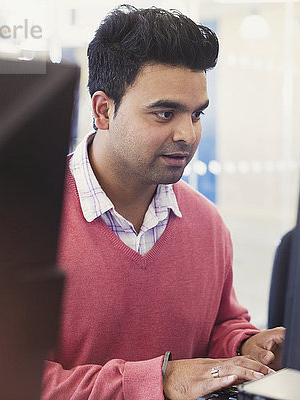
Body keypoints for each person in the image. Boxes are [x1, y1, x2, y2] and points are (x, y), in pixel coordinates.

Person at [41, 5, 285, 400]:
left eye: (196, 114)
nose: (187, 134)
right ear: (104, 110)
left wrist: (243, 346)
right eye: (165, 113)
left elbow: (221, 324)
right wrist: (158, 381)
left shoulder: (206, 224)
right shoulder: (25, 220)